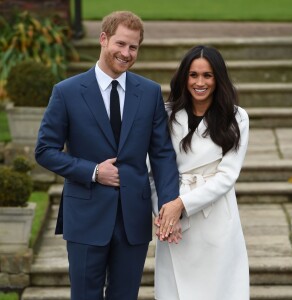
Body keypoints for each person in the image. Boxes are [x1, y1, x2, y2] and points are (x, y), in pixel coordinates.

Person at [35, 11, 180, 300]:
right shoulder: (67, 92)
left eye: (134, 47)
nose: (126, 53)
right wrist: (92, 171)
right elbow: (44, 151)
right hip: (86, 217)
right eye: (121, 44)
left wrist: (168, 206)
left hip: (133, 220)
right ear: (103, 39)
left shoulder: (150, 93)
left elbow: (163, 155)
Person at [153, 45, 250, 300]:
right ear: (184, 77)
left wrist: (181, 204)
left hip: (215, 216)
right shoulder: (166, 114)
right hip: (172, 217)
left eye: (207, 75)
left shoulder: (236, 117)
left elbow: (227, 176)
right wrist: (164, 213)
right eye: (193, 75)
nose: (200, 82)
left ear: (218, 78)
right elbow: (153, 170)